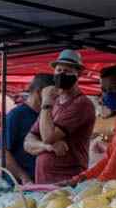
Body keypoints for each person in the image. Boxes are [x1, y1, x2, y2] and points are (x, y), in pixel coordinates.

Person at [24, 49, 96, 184]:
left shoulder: (81, 104)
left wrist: (45, 103)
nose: (62, 74)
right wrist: (47, 147)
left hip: (67, 181)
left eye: (67, 71)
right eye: (59, 70)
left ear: (78, 74)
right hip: (45, 181)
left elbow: (48, 136)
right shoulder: (54, 102)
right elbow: (28, 142)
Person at [1, 73, 55, 184]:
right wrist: (23, 176)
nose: (54, 100)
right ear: (40, 92)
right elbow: (3, 152)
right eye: (52, 95)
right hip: (22, 187)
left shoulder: (47, 115)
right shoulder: (16, 115)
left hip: (43, 182)